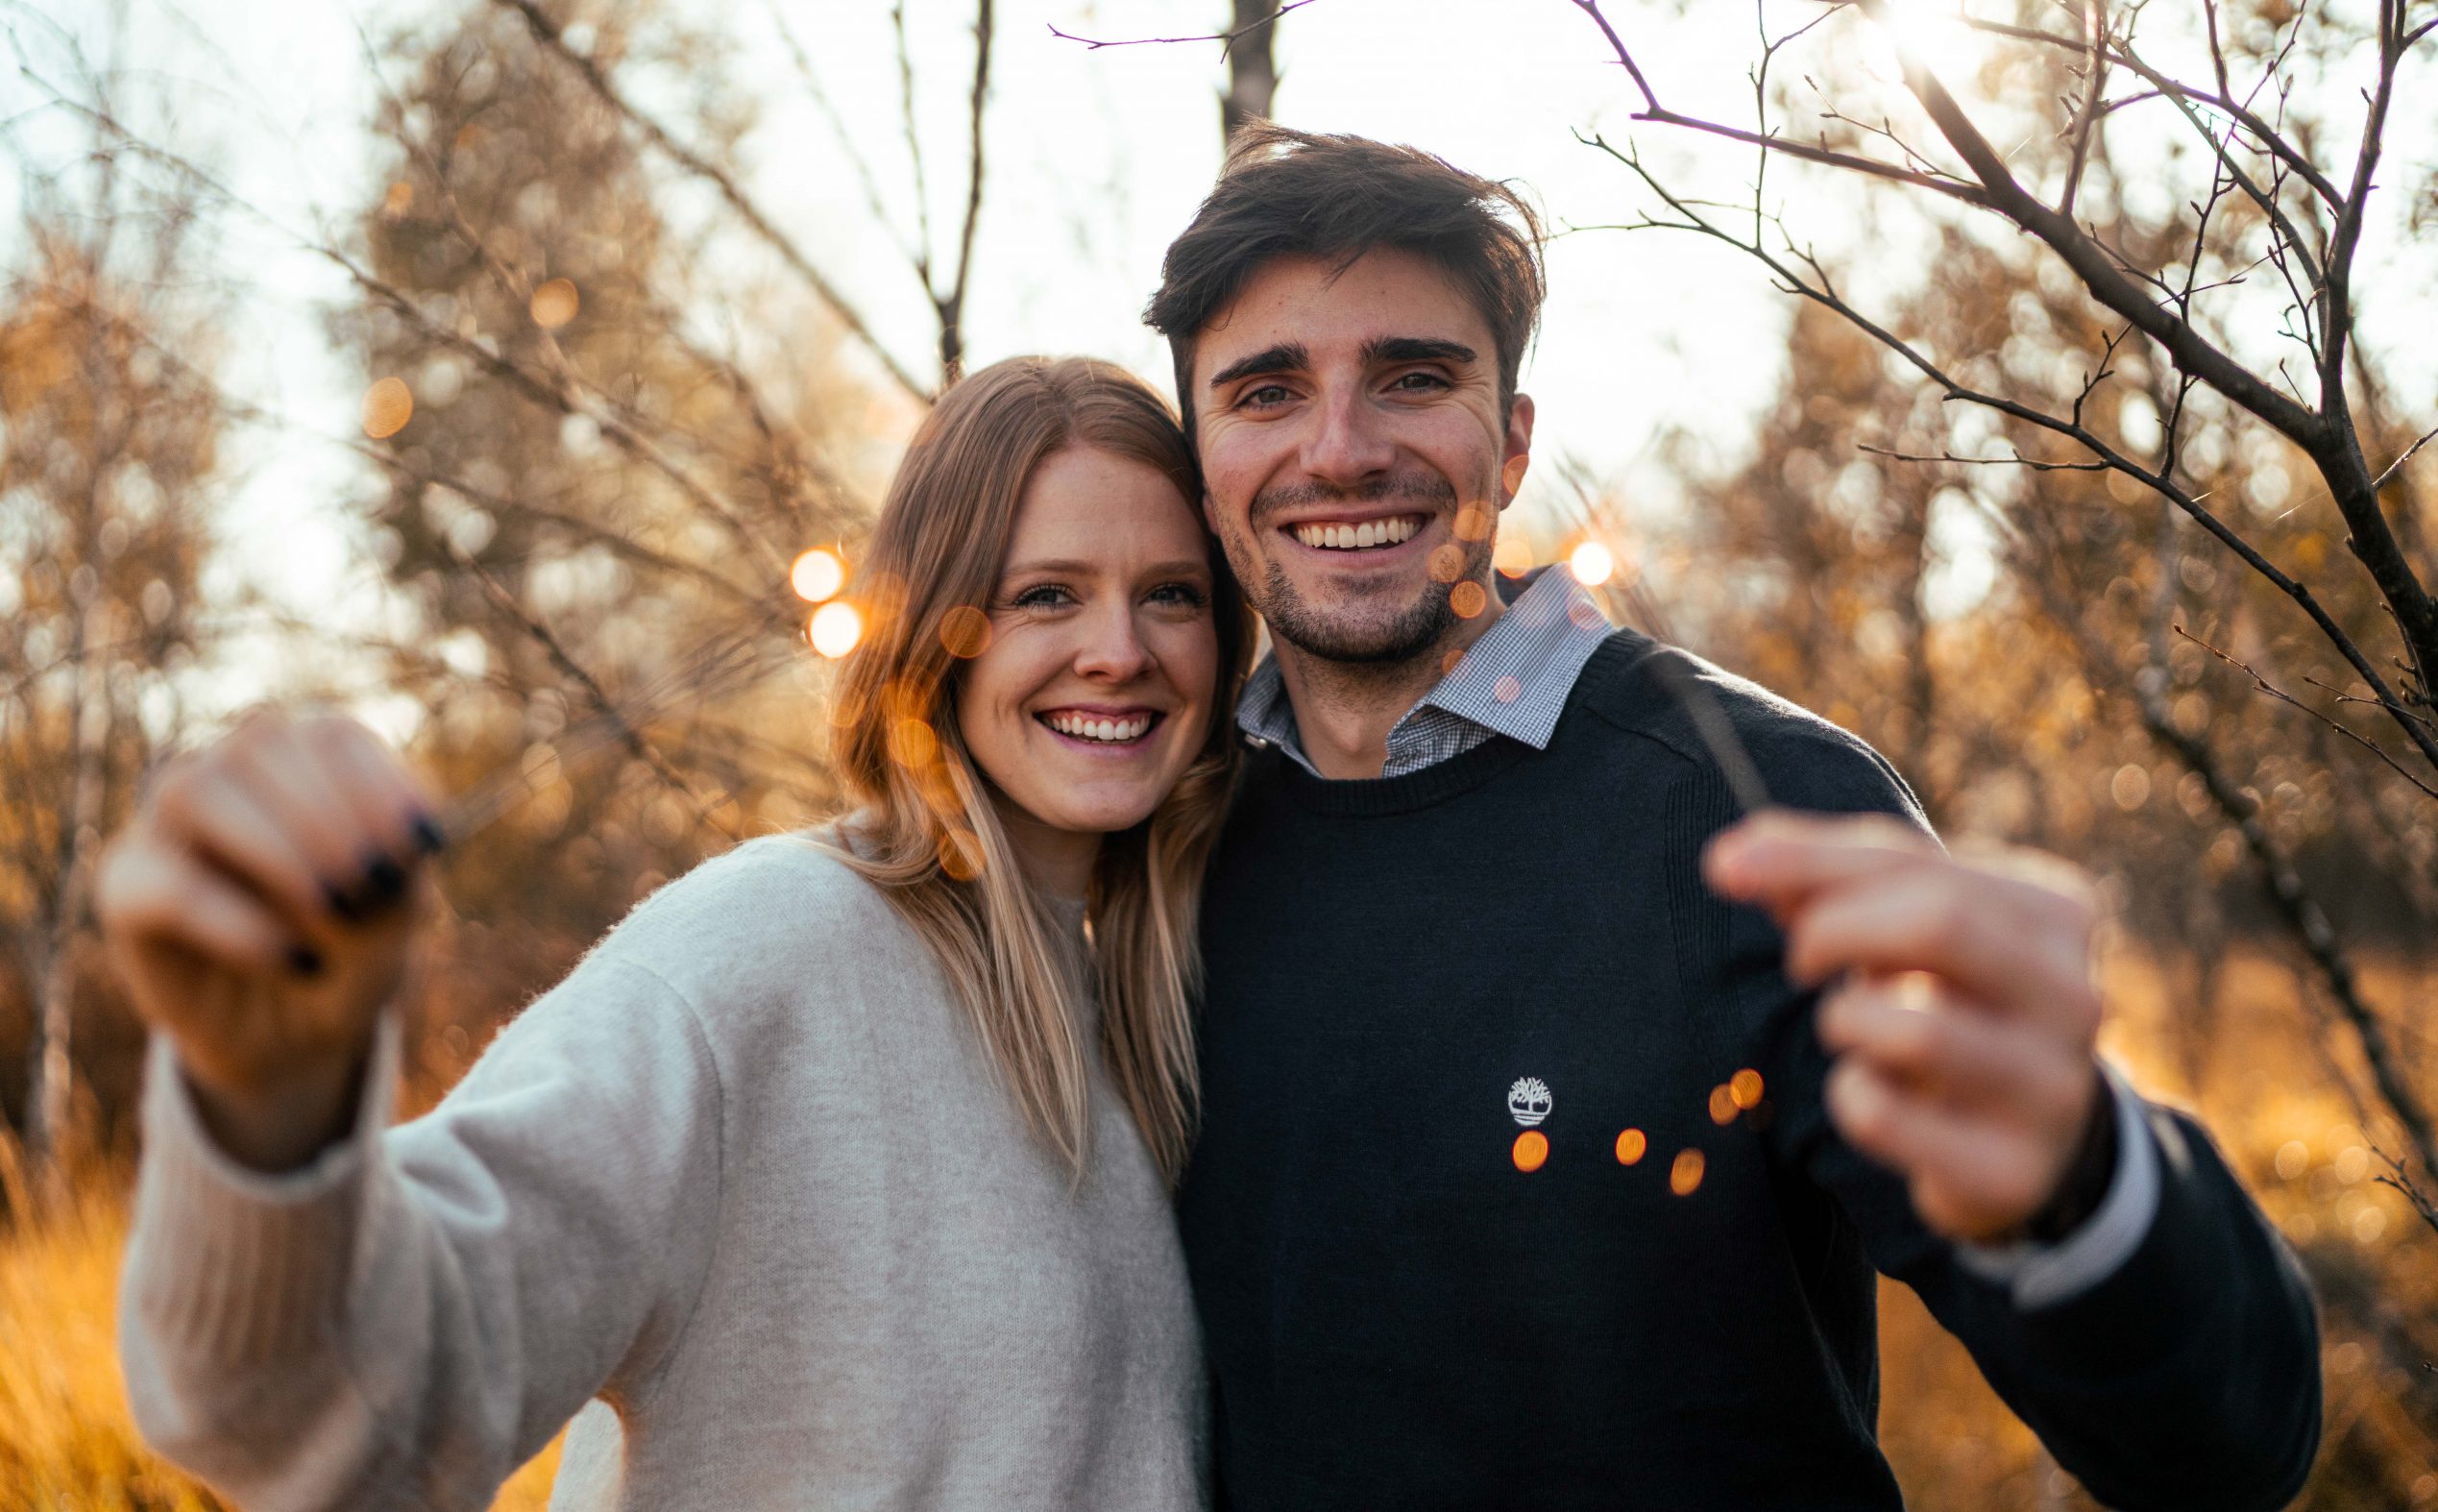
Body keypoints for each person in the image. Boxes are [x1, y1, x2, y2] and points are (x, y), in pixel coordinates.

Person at [1150, 127, 2322, 1511]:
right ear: (1204, 461)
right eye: (1266, 391)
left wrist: (2095, 1177)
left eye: (1415, 376)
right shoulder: (1168, 847)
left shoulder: (1759, 810)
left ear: (1512, 441)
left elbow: (2224, 1447)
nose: (1339, 450)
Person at [101, 355, 1255, 1510]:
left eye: (1171, 593)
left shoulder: (1154, 1010)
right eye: (1044, 593)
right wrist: (265, 1106)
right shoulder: (766, 952)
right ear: (929, 637)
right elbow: (340, 1405)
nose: (1120, 648)